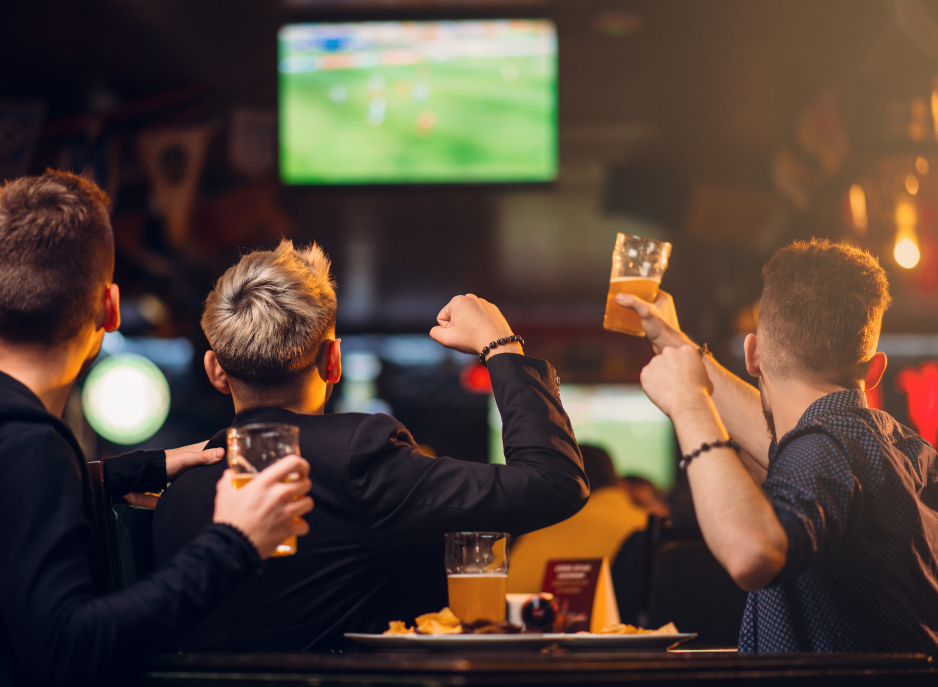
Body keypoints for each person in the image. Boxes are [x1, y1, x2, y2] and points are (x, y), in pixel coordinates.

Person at [0, 171, 314, 686]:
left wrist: (140, 468)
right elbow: (73, 649)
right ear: (110, 308)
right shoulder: (27, 448)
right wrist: (234, 541)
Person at [152, 240, 589, 651]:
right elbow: (553, 482)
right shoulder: (358, 456)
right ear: (334, 361)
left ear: (215, 370)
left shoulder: (176, 493)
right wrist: (501, 346)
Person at [620, 238, 938, 653]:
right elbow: (785, 439)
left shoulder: (828, 446)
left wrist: (688, 405)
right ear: (875, 369)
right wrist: (674, 342)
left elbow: (752, 552)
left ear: (752, 355)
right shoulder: (904, 450)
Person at [507, 445, 648, 593]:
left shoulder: (549, 528)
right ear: (617, 480)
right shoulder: (647, 523)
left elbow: (506, 591)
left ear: (562, 481)